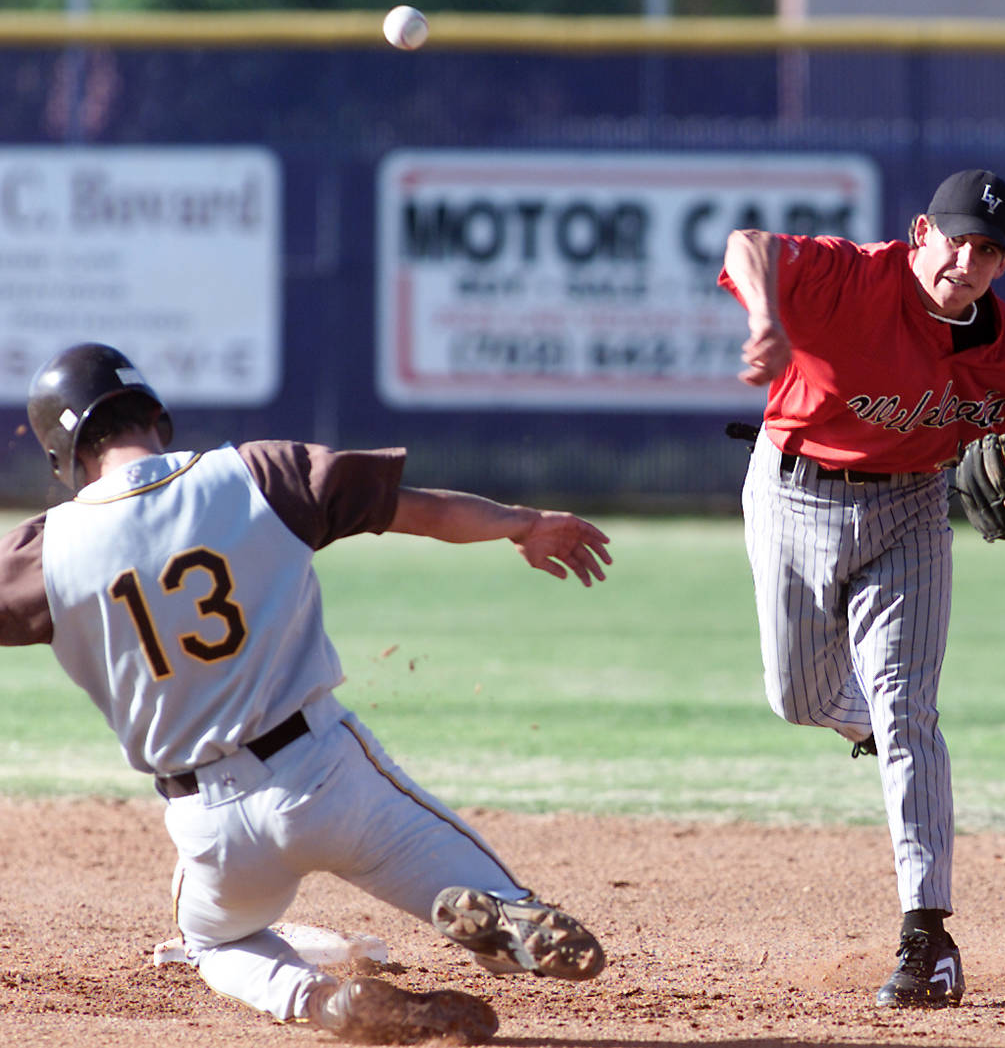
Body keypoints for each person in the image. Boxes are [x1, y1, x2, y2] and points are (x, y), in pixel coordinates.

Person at [0, 342, 613, 1043]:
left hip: (209, 827)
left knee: (215, 941)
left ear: (62, 453)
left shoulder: (42, 554)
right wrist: (523, 523)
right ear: (154, 417)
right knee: (488, 899)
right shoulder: (256, 473)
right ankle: (505, 915)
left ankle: (324, 999)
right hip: (323, 774)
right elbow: (420, 512)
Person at [718, 169, 1005, 1008]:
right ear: (919, 234)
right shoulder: (852, 277)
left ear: (1002, 266)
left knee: (909, 708)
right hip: (792, 489)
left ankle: (927, 940)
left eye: (989, 249)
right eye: (956, 238)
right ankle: (868, 723)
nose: (967, 259)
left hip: (910, 511)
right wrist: (764, 317)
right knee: (796, 696)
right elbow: (747, 245)